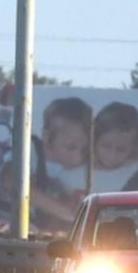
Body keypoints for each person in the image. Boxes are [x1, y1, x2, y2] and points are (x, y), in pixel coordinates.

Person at [30, 97, 92, 231]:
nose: (78, 157)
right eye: (71, 147)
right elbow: (12, 182)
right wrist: (67, 213)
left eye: (84, 149)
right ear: (46, 136)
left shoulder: (71, 170)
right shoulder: (31, 152)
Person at [91, 102, 138, 193]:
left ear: (133, 147)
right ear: (94, 140)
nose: (112, 156)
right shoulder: (77, 170)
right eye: (106, 146)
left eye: (121, 150)